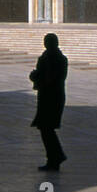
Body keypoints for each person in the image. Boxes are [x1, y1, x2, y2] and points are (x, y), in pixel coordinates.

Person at [29, 33, 68, 172]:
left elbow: (49, 78)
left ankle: (55, 157)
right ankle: (54, 158)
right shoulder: (60, 58)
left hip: (49, 97)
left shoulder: (50, 58)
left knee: (46, 128)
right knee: (47, 128)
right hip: (55, 96)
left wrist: (35, 76)